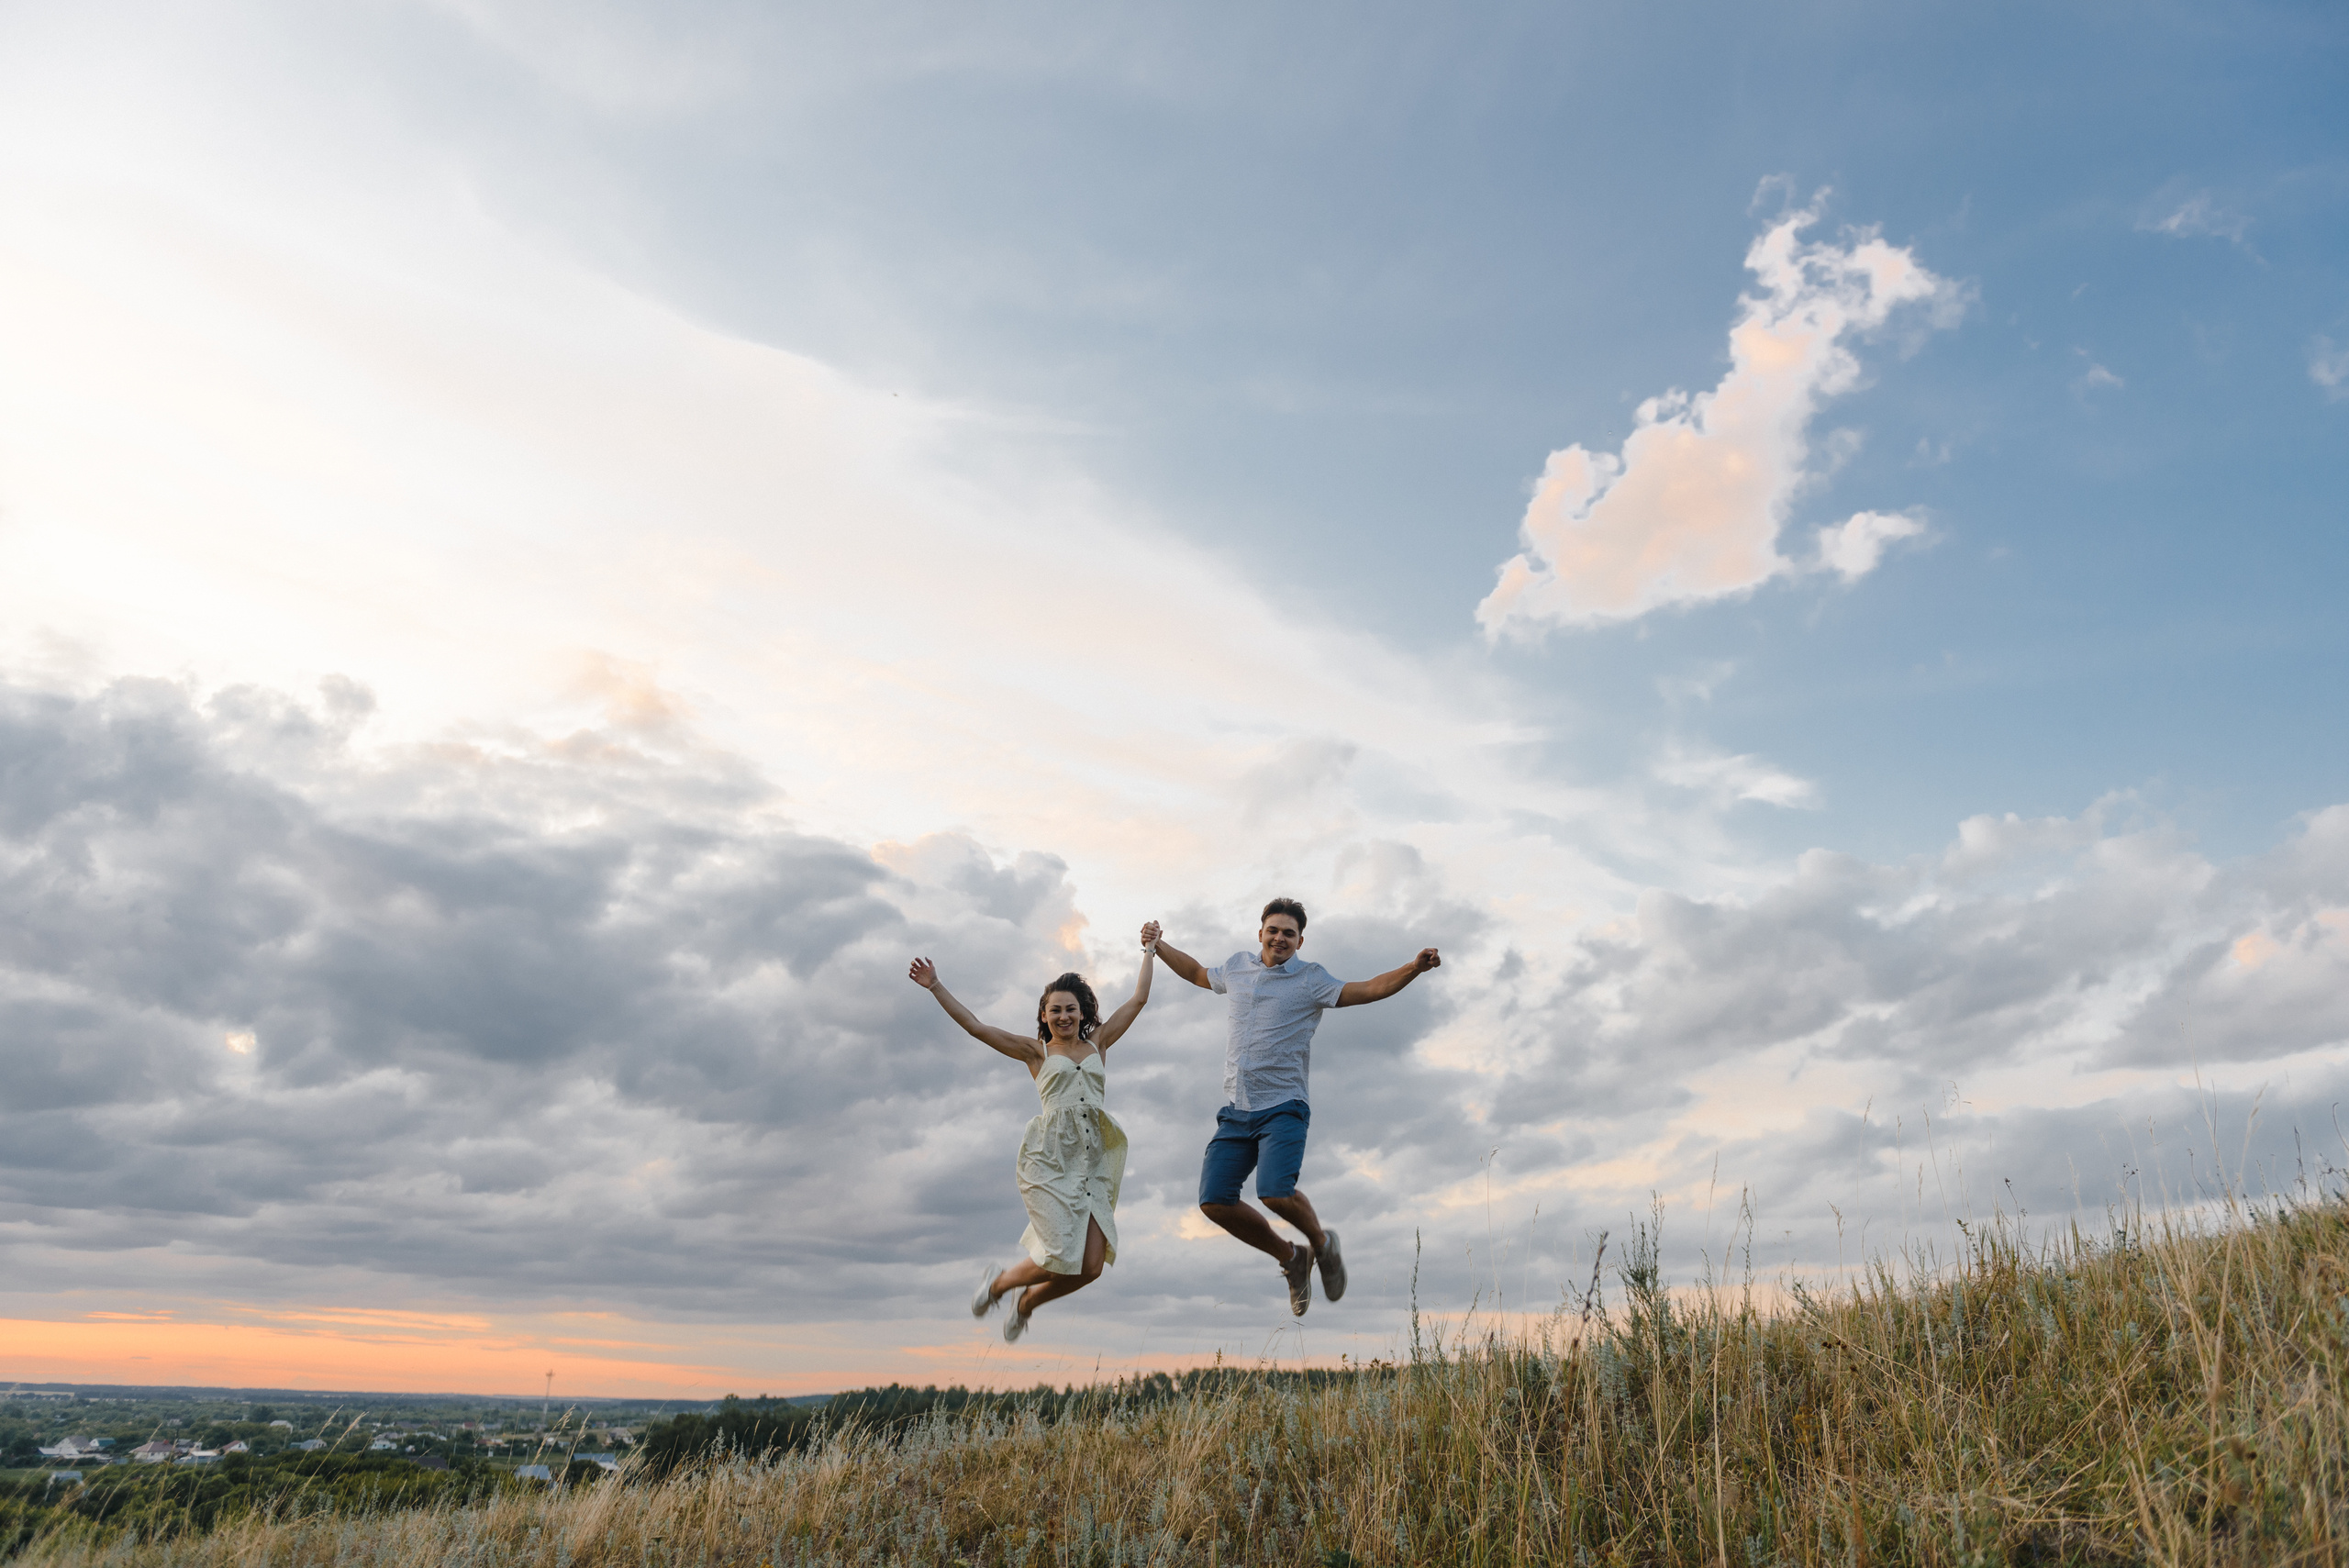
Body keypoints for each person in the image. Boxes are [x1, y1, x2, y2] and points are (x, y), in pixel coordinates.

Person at [1149, 898, 1439, 1316]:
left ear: (1300, 940)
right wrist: (1160, 946)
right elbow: (1196, 973)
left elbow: (1369, 989)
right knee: (1214, 1200)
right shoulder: (1236, 968)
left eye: (1289, 933)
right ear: (1260, 933)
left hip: (1284, 1106)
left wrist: (1414, 967)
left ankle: (1322, 1245)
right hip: (1236, 1109)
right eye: (1273, 930)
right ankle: (1291, 1257)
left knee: (1274, 1193)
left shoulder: (1310, 980)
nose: (1279, 938)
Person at [907, 923, 1160, 1342]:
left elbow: (1139, 999)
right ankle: (999, 1284)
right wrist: (936, 986)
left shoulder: (1099, 1044)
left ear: (1083, 1013)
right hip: (1052, 1159)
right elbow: (976, 1026)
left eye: (1071, 1009)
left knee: (1091, 1266)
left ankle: (1026, 1303)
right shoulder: (1036, 1052)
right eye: (1055, 1010)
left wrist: (1149, 951)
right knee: (1060, 1253)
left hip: (1094, 1160)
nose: (1063, 1016)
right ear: (1044, 1015)